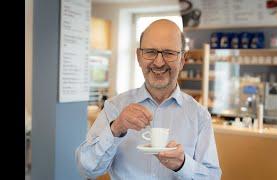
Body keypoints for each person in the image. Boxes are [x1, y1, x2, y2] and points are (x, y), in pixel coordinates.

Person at [76, 19, 221, 179]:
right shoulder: (115, 107)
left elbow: (212, 177)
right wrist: (115, 128)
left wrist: (183, 164)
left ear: (182, 60)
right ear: (139, 57)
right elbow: (86, 169)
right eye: (150, 52)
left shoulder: (199, 115)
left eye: (169, 53)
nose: (159, 62)